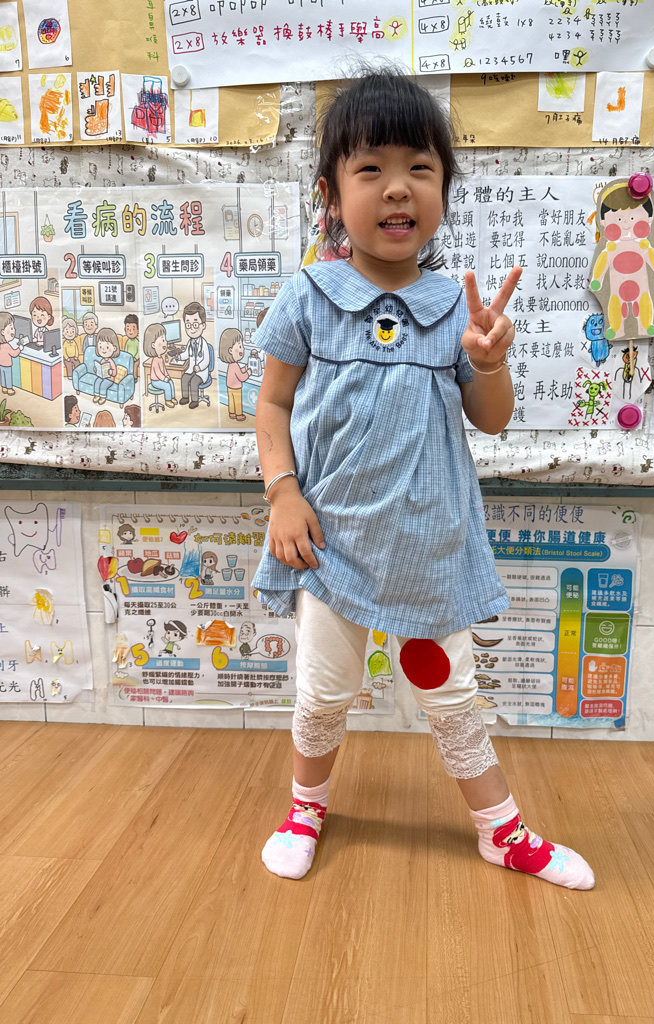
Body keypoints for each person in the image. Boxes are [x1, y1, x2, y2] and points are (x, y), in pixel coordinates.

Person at [253, 72, 594, 891]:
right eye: (370, 168)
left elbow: (492, 421)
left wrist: (491, 361)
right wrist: (282, 492)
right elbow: (271, 404)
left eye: (420, 167)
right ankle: (305, 809)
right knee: (322, 695)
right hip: (331, 548)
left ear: (443, 188)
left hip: (430, 552)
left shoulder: (456, 308)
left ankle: (501, 832)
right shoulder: (309, 297)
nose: (398, 187)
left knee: (454, 700)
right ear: (330, 193)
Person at [179, 301, 211, 409]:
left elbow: (206, 360)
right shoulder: (190, 342)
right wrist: (180, 357)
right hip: (191, 369)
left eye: (195, 324)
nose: (192, 329)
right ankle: (185, 397)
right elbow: (187, 354)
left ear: (203, 325)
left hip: (202, 372)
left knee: (194, 381)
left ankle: (195, 400)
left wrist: (200, 367)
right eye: (188, 325)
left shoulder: (204, 343)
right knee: (184, 378)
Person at [143, 322, 177, 408]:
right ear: (153, 345)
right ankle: (168, 400)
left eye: (165, 340)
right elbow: (157, 372)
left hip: (161, 378)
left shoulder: (160, 358)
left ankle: (172, 397)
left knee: (171, 382)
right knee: (167, 386)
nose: (165, 343)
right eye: (162, 340)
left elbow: (163, 369)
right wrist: (164, 378)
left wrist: (167, 376)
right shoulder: (155, 360)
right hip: (156, 381)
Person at [219, 327, 249, 421]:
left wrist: (244, 369)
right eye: (239, 347)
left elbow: (237, 372)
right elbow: (241, 377)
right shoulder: (235, 365)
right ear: (230, 350)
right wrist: (248, 373)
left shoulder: (231, 365)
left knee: (231, 401)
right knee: (237, 401)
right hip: (236, 388)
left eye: (242, 346)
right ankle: (239, 414)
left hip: (229, 387)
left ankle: (232, 413)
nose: (242, 349)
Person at [93, 327, 121, 404]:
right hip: (101, 377)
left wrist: (110, 372)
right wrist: (96, 369)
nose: (103, 350)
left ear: (114, 348)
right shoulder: (102, 360)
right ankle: (96, 395)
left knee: (103, 385)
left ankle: (103, 396)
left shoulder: (111, 361)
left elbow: (114, 373)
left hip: (109, 379)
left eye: (107, 347)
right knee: (97, 382)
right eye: (100, 347)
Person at [0, 311, 20, 394]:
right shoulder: (6, 346)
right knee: (8, 377)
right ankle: (9, 389)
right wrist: (20, 349)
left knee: (2, 376)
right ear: (2, 332)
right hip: (7, 365)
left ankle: (4, 387)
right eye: (11, 328)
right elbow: (14, 354)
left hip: (1, 364)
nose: (14, 330)